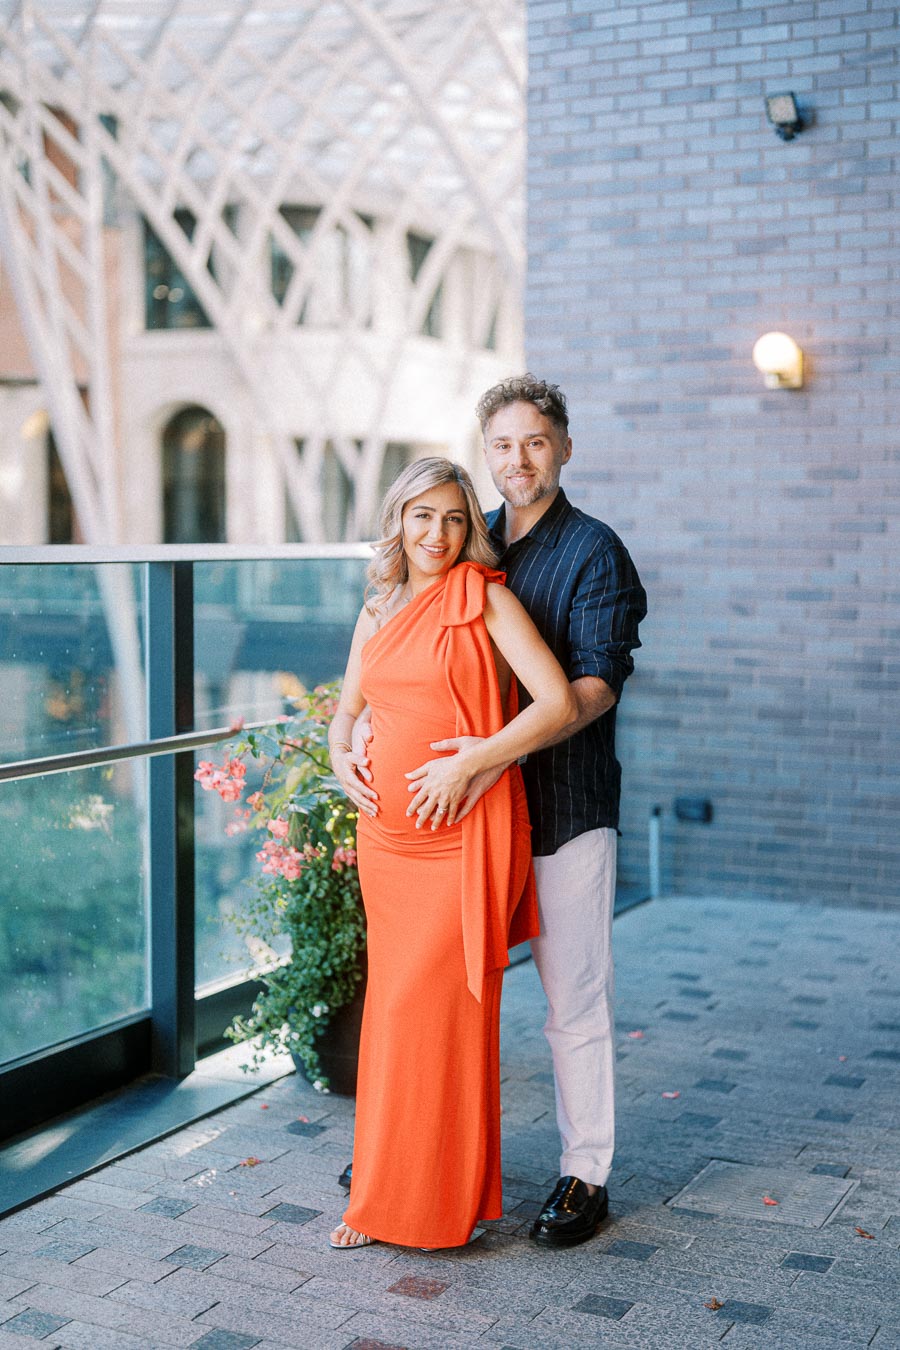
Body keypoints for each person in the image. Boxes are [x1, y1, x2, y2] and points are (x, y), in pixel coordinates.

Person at [404, 376, 647, 1248]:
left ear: (565, 448)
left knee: (572, 1002)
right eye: (502, 445)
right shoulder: (469, 543)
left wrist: (481, 756)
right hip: (466, 819)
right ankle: (416, 1158)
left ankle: (586, 1175)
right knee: (443, 996)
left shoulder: (595, 551)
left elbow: (587, 695)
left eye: (535, 442)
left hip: (563, 811)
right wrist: (356, 731)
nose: (518, 460)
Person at [327, 456, 576, 1250]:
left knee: (437, 1016)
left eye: (454, 518)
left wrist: (474, 760)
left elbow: (558, 702)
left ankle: (436, 1204)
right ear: (397, 521)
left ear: (471, 527)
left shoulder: (487, 601)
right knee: (394, 1015)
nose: (438, 534)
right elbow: (345, 717)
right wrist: (343, 765)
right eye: (422, 516)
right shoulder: (377, 610)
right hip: (388, 843)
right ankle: (381, 1196)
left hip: (463, 837)